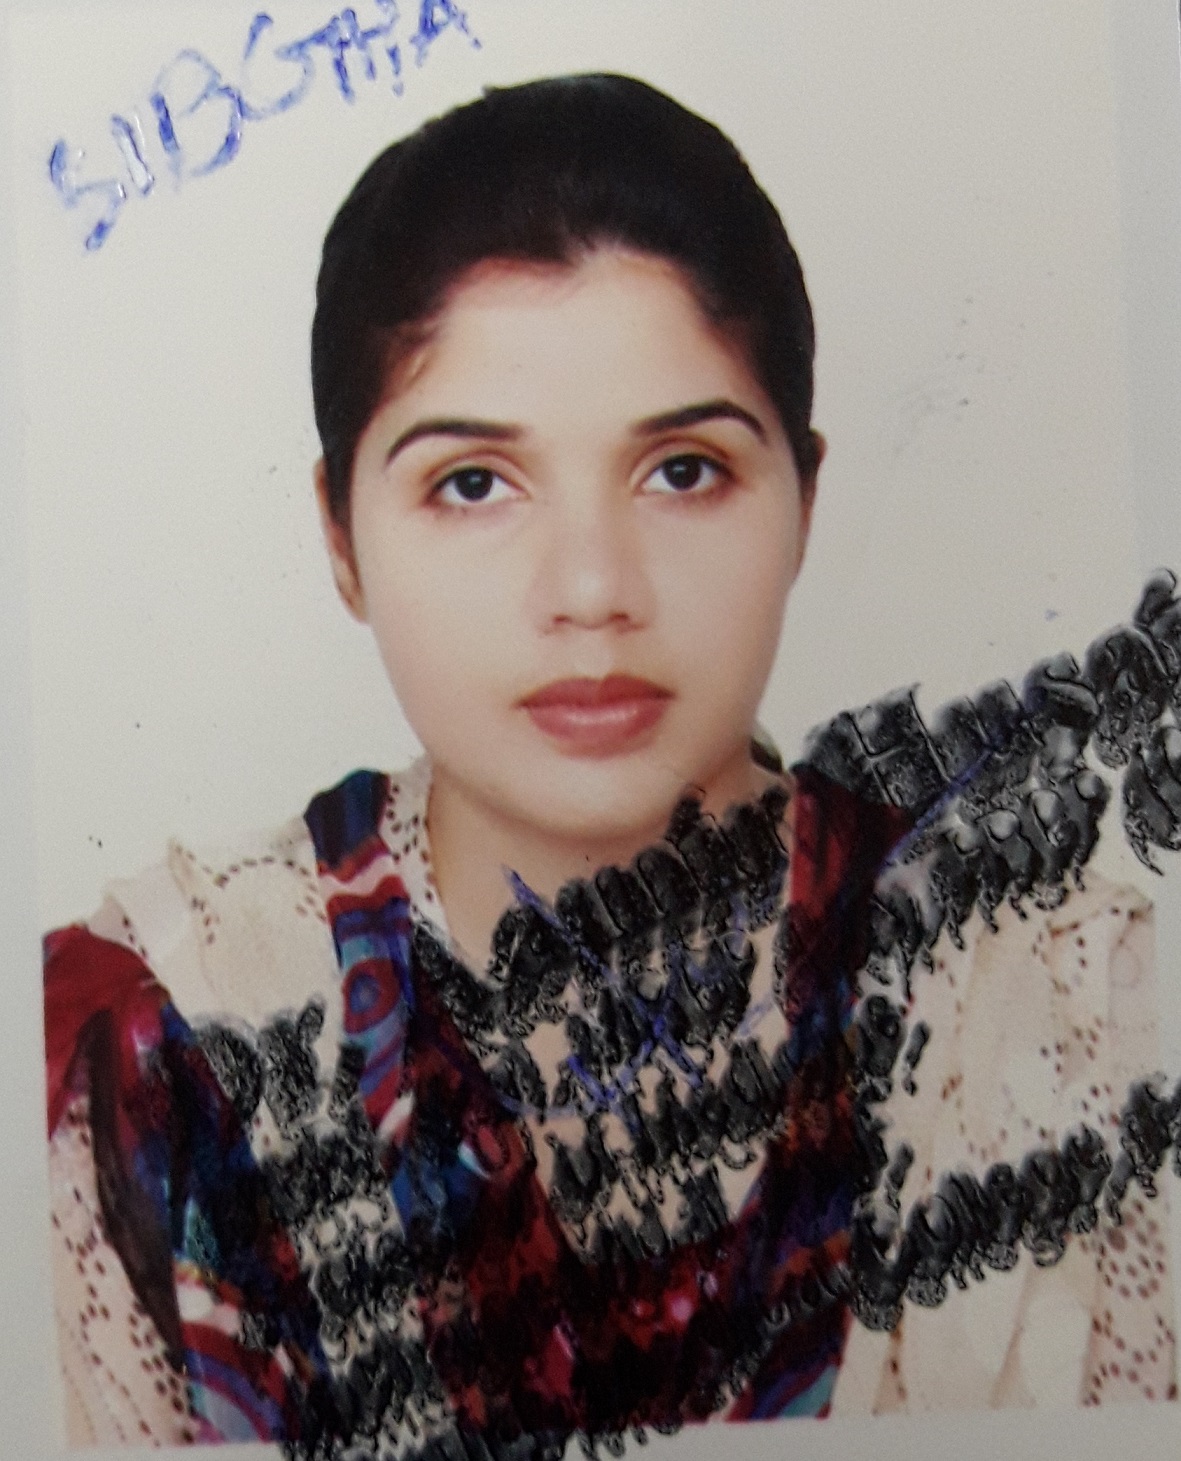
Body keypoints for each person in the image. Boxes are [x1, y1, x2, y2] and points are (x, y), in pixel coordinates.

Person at [43, 73, 1177, 1454]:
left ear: (803, 499)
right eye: (473, 483)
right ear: (340, 536)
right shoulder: (164, 1041)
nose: (591, 590)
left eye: (683, 470)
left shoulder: (1064, 996)